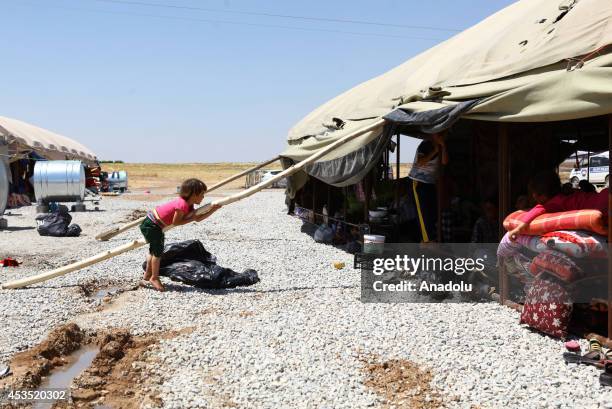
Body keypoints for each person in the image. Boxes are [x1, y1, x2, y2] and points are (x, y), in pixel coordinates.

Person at [139, 178, 221, 291]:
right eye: (201, 194)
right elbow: (176, 222)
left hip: (154, 224)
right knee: (157, 253)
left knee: (154, 251)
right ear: (193, 194)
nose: (203, 197)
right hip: (152, 225)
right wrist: (191, 218)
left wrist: (212, 210)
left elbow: (197, 218)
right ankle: (154, 277)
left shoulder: (189, 205)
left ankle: (147, 275)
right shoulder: (182, 204)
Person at [508, 170, 608, 240]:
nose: (534, 199)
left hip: (602, 206)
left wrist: (518, 229)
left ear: (539, 195)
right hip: (603, 196)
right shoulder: (567, 194)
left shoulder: (553, 204)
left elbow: (535, 212)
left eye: (534, 195)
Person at [408, 132, 448, 242]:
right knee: (423, 213)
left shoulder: (440, 146)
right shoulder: (426, 145)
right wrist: (435, 150)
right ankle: (426, 240)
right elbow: (420, 162)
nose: (441, 136)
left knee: (431, 212)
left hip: (430, 182)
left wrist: (442, 146)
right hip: (419, 182)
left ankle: (430, 239)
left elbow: (444, 161)